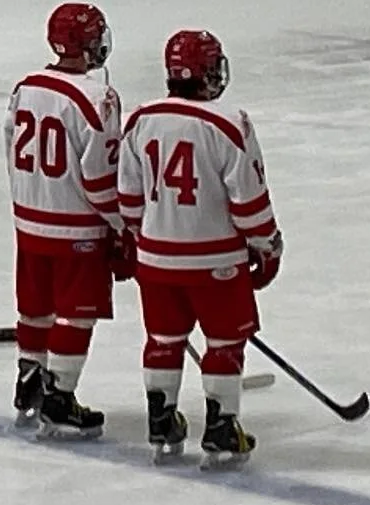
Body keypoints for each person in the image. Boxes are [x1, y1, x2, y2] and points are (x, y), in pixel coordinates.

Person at [118, 30, 282, 468]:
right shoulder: (230, 123)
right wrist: (268, 246)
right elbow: (249, 204)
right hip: (216, 262)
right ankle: (222, 429)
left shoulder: (140, 119)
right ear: (210, 71)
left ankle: (161, 423)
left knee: (163, 340)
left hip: (156, 261)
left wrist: (145, 239)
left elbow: (129, 199)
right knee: (225, 343)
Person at [5, 3, 127, 439]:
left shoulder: (25, 87)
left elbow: (9, 147)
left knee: (35, 308)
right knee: (76, 315)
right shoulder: (99, 98)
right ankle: (59, 397)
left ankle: (29, 380)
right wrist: (122, 225)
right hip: (77, 227)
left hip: (30, 221)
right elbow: (99, 178)